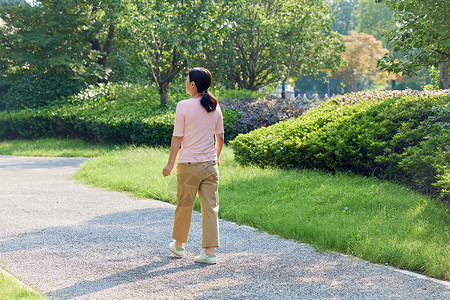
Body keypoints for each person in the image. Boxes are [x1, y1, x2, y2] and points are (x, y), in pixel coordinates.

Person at [162, 67, 224, 264]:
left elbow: (177, 138)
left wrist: (170, 164)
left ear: (193, 84)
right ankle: (209, 252)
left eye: (186, 80)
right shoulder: (214, 105)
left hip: (189, 164)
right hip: (210, 166)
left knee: (185, 205)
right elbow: (220, 137)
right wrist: (215, 157)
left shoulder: (183, 106)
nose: (185, 83)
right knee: (210, 208)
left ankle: (179, 246)